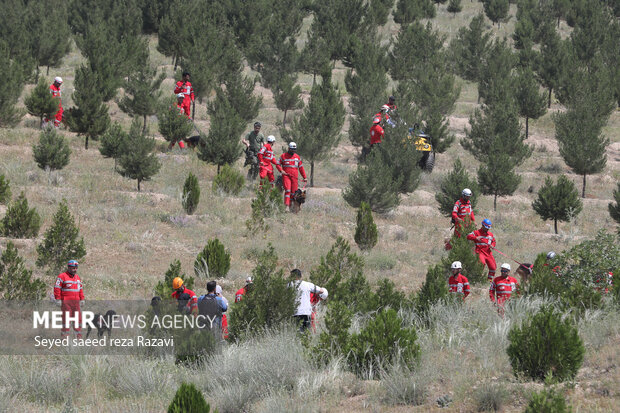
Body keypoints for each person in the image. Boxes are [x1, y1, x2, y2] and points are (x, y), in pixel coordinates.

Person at [53, 260, 84, 338]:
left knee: (78, 321)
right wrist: (58, 299)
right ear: (69, 268)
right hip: (66, 303)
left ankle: (79, 339)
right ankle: (64, 339)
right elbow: (57, 288)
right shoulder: (62, 276)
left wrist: (82, 299)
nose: (75, 270)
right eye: (73, 268)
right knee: (66, 321)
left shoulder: (77, 278)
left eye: (76, 268)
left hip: (76, 303)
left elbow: (80, 289)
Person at [276, 142, 307, 209]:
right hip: (286, 176)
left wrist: (304, 177)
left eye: (294, 149)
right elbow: (277, 164)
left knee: (294, 193)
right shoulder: (283, 156)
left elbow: (301, 168)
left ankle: (292, 207)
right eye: (292, 149)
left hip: (294, 177)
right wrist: (281, 170)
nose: (293, 150)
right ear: (289, 148)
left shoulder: (297, 157)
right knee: (288, 190)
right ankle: (286, 206)